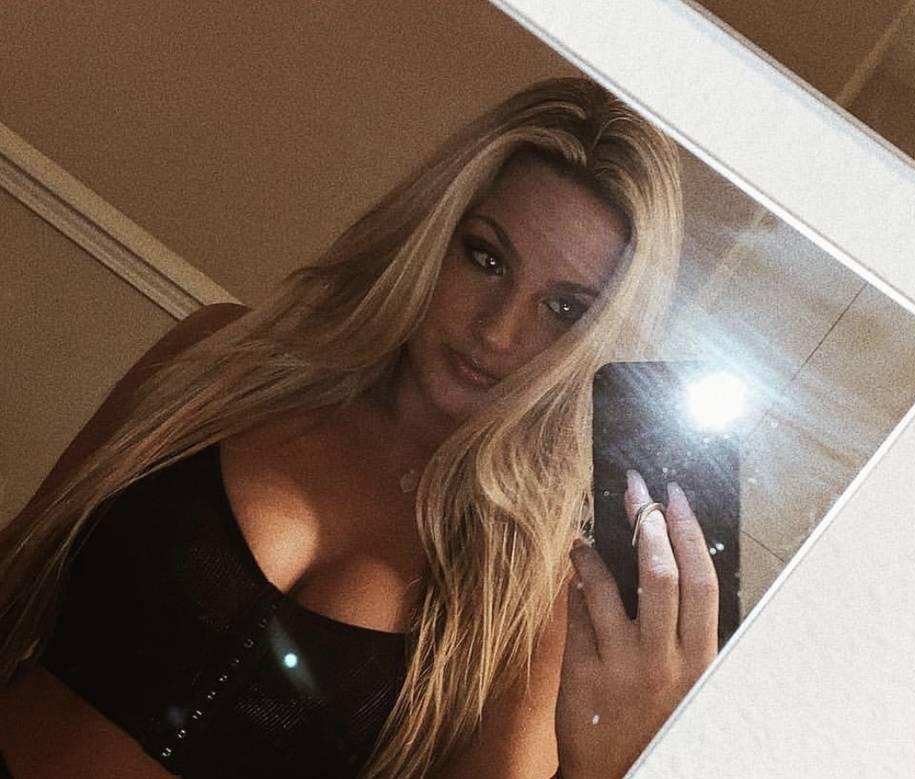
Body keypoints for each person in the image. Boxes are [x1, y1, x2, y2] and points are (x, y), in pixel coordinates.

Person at [0, 77, 719, 778]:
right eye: (487, 257)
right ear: (434, 235)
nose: (497, 332)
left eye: (564, 309)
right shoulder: (224, 361)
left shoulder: (532, 590)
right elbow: (17, 569)